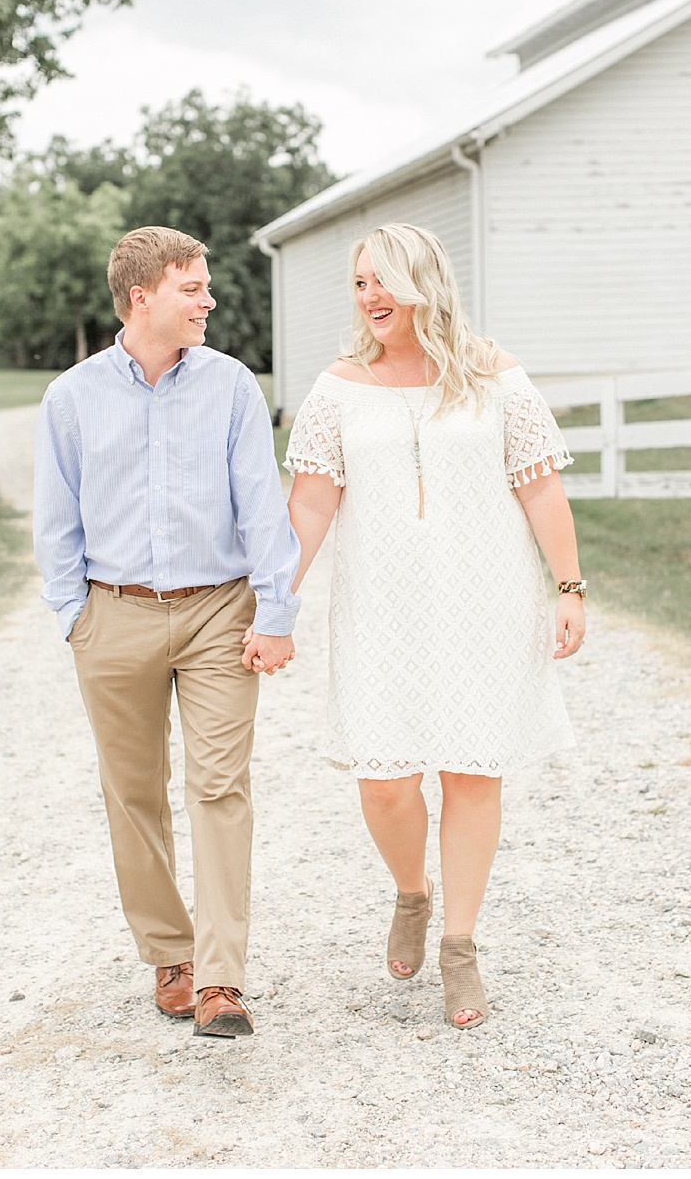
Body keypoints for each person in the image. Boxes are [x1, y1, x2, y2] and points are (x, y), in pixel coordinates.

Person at [275, 222, 582, 1030]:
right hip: (380, 606)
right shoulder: (339, 385)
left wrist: (570, 586)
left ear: (423, 281)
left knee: (473, 772)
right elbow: (311, 499)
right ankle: (411, 890)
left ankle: (460, 947)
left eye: (383, 280)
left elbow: (539, 486)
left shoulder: (496, 375)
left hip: (485, 601)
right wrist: (277, 598)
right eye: (359, 283)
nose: (369, 296)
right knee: (385, 781)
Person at [33, 225, 299, 1038]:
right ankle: (170, 954)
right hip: (113, 615)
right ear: (141, 296)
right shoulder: (71, 398)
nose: (210, 301)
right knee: (135, 794)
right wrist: (76, 618)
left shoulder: (231, 387)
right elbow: (56, 521)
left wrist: (276, 610)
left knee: (220, 788)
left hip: (220, 611)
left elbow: (262, 503)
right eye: (194, 288)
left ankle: (221, 980)